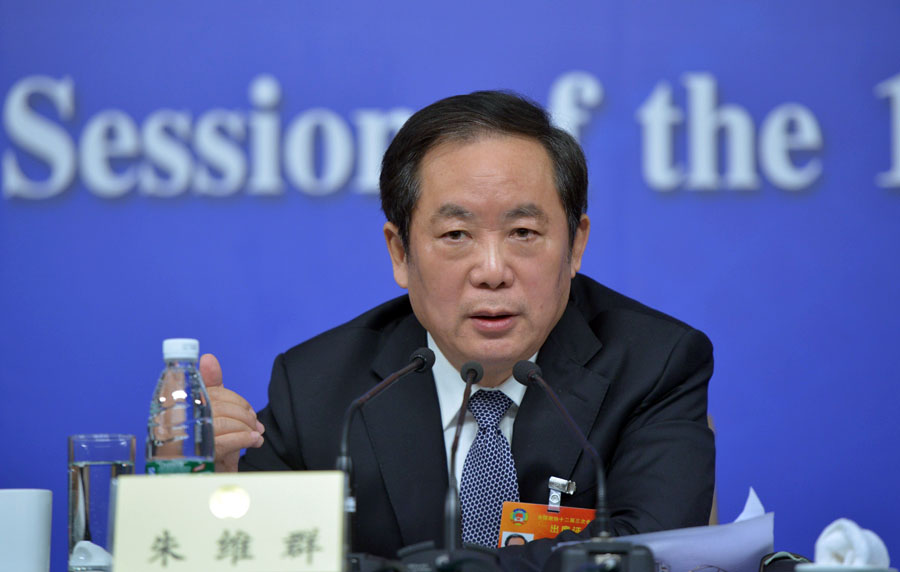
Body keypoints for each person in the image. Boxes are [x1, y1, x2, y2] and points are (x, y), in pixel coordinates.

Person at [201, 90, 715, 566]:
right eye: (456, 234)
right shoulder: (317, 389)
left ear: (575, 245)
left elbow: (648, 553)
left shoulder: (654, 365)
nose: (492, 270)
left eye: (523, 232)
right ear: (400, 252)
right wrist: (203, 491)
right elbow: (256, 551)